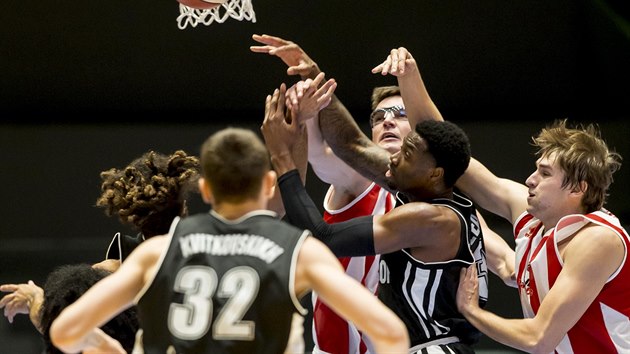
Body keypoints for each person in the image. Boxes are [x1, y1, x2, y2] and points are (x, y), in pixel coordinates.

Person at [254, 36, 516, 353]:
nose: (388, 122)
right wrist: (312, 80)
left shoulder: (431, 216)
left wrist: (283, 151)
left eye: (400, 115)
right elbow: (349, 145)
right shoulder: (431, 195)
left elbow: (506, 263)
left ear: (432, 165)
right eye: (379, 117)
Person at [49, 127, 410, 354]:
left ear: (205, 190)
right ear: (268, 184)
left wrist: (109, 348)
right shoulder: (300, 253)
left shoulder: (156, 254)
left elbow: (65, 332)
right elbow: (392, 334)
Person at [453, 120, 629, 353]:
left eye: (545, 173)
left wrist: (471, 311)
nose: (530, 179)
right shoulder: (536, 225)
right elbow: (453, 159)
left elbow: (538, 339)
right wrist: (410, 82)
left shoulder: (596, 238)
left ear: (577, 188)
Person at [0, 150, 201, 351]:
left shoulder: (111, 272)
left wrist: (36, 301)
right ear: (183, 206)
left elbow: (68, 335)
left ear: (131, 213)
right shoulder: (212, 257)